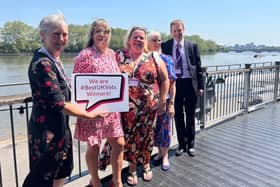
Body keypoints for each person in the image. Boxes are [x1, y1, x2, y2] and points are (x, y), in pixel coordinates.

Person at [23, 14, 107, 187]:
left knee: (60, 173)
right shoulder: (42, 64)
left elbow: (69, 91)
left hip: (60, 130)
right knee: (42, 178)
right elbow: (59, 103)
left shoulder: (55, 59)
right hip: (47, 135)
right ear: (42, 35)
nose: (61, 39)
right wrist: (90, 115)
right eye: (56, 34)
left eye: (64, 34)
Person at [73, 18, 125, 187]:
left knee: (119, 144)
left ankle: (116, 181)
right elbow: (78, 84)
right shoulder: (85, 55)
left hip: (112, 110)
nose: (102, 35)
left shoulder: (112, 54)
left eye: (106, 31)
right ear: (92, 34)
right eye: (98, 31)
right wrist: (86, 111)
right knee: (94, 148)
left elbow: (116, 79)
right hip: (93, 111)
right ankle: (95, 181)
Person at [115, 27, 169, 185]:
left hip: (148, 109)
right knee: (130, 138)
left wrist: (163, 101)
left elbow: (165, 80)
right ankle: (132, 169)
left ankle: (146, 165)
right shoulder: (119, 56)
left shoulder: (153, 57)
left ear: (145, 41)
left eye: (141, 37)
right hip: (126, 109)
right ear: (129, 39)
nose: (138, 40)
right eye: (135, 37)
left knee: (146, 136)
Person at [161, 19, 204, 157]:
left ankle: (191, 145)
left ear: (183, 30)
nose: (177, 33)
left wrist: (201, 86)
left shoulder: (192, 45)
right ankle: (181, 144)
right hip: (175, 85)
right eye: (174, 30)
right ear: (171, 32)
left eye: (179, 30)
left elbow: (198, 67)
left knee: (190, 115)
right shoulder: (166, 45)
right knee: (178, 116)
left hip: (190, 84)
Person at [147, 31, 176, 171]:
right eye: (154, 40)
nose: (157, 42)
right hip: (148, 103)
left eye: (159, 40)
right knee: (152, 131)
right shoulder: (144, 59)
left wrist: (171, 104)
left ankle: (165, 156)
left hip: (164, 101)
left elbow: (172, 84)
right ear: (148, 42)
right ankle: (158, 153)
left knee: (164, 129)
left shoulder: (167, 59)